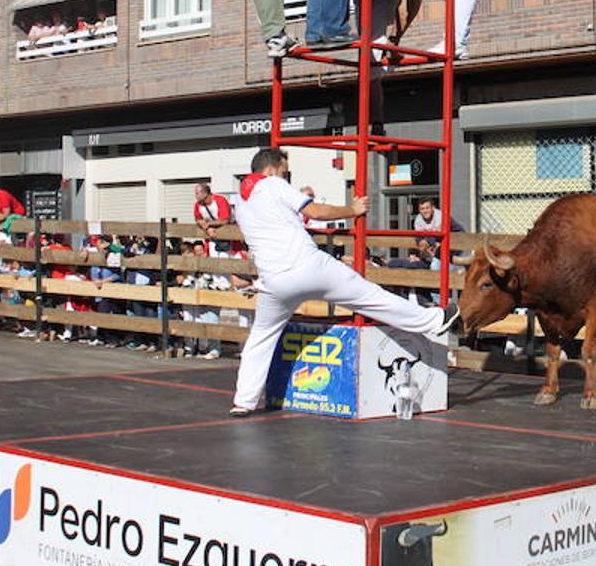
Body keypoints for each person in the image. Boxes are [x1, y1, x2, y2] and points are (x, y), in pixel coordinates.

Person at [230, 147, 459, 416]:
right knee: (371, 297)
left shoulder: (240, 200)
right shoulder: (273, 184)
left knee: (260, 338)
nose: (285, 175)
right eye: (284, 170)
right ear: (271, 169)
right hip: (309, 266)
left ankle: (243, 402)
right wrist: (352, 209)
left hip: (274, 280)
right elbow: (315, 210)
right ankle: (433, 321)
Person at [192, 182, 232, 253]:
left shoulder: (220, 200)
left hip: (229, 237)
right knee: (212, 260)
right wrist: (207, 229)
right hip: (211, 237)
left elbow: (224, 220)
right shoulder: (197, 205)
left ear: (205, 193)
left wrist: (208, 224)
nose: (195, 196)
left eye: (197, 193)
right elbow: (198, 219)